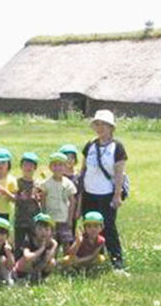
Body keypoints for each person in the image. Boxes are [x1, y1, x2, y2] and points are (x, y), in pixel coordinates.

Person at [80, 109, 128, 270]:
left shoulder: (117, 148)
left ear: (111, 128)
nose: (100, 128)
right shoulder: (90, 145)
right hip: (88, 192)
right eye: (97, 124)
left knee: (108, 228)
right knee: (89, 227)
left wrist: (117, 196)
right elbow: (83, 169)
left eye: (104, 125)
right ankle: (91, 257)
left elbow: (119, 174)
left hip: (106, 194)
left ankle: (117, 262)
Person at [40, 152, 77, 252]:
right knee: (52, 243)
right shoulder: (46, 184)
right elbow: (42, 201)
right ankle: (52, 262)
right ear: (50, 167)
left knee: (66, 242)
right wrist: (44, 216)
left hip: (64, 218)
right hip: (51, 219)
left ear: (65, 167)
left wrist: (70, 218)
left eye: (61, 165)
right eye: (55, 165)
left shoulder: (68, 184)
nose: (58, 168)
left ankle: (66, 263)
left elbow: (72, 201)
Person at [14, 213, 57, 281]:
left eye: (47, 229)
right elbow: (27, 256)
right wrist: (41, 249)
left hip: (39, 266)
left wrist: (54, 246)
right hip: (24, 268)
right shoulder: (29, 240)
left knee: (52, 262)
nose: (43, 232)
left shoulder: (51, 243)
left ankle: (41, 277)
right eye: (40, 229)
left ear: (51, 232)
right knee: (27, 260)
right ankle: (24, 278)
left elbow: (47, 258)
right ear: (34, 230)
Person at [14, 152, 43, 253]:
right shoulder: (17, 182)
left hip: (34, 220)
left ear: (35, 168)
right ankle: (17, 266)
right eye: (25, 164)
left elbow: (42, 199)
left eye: (31, 165)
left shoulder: (38, 184)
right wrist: (19, 197)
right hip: (20, 219)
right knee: (19, 245)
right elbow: (13, 199)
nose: (28, 167)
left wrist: (39, 198)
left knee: (35, 244)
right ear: (21, 166)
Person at [59, 144, 82, 236]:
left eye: (72, 158)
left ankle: (69, 249)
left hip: (72, 209)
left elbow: (80, 194)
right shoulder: (58, 175)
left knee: (70, 231)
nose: (69, 160)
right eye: (67, 157)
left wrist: (78, 210)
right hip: (59, 208)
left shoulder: (78, 176)